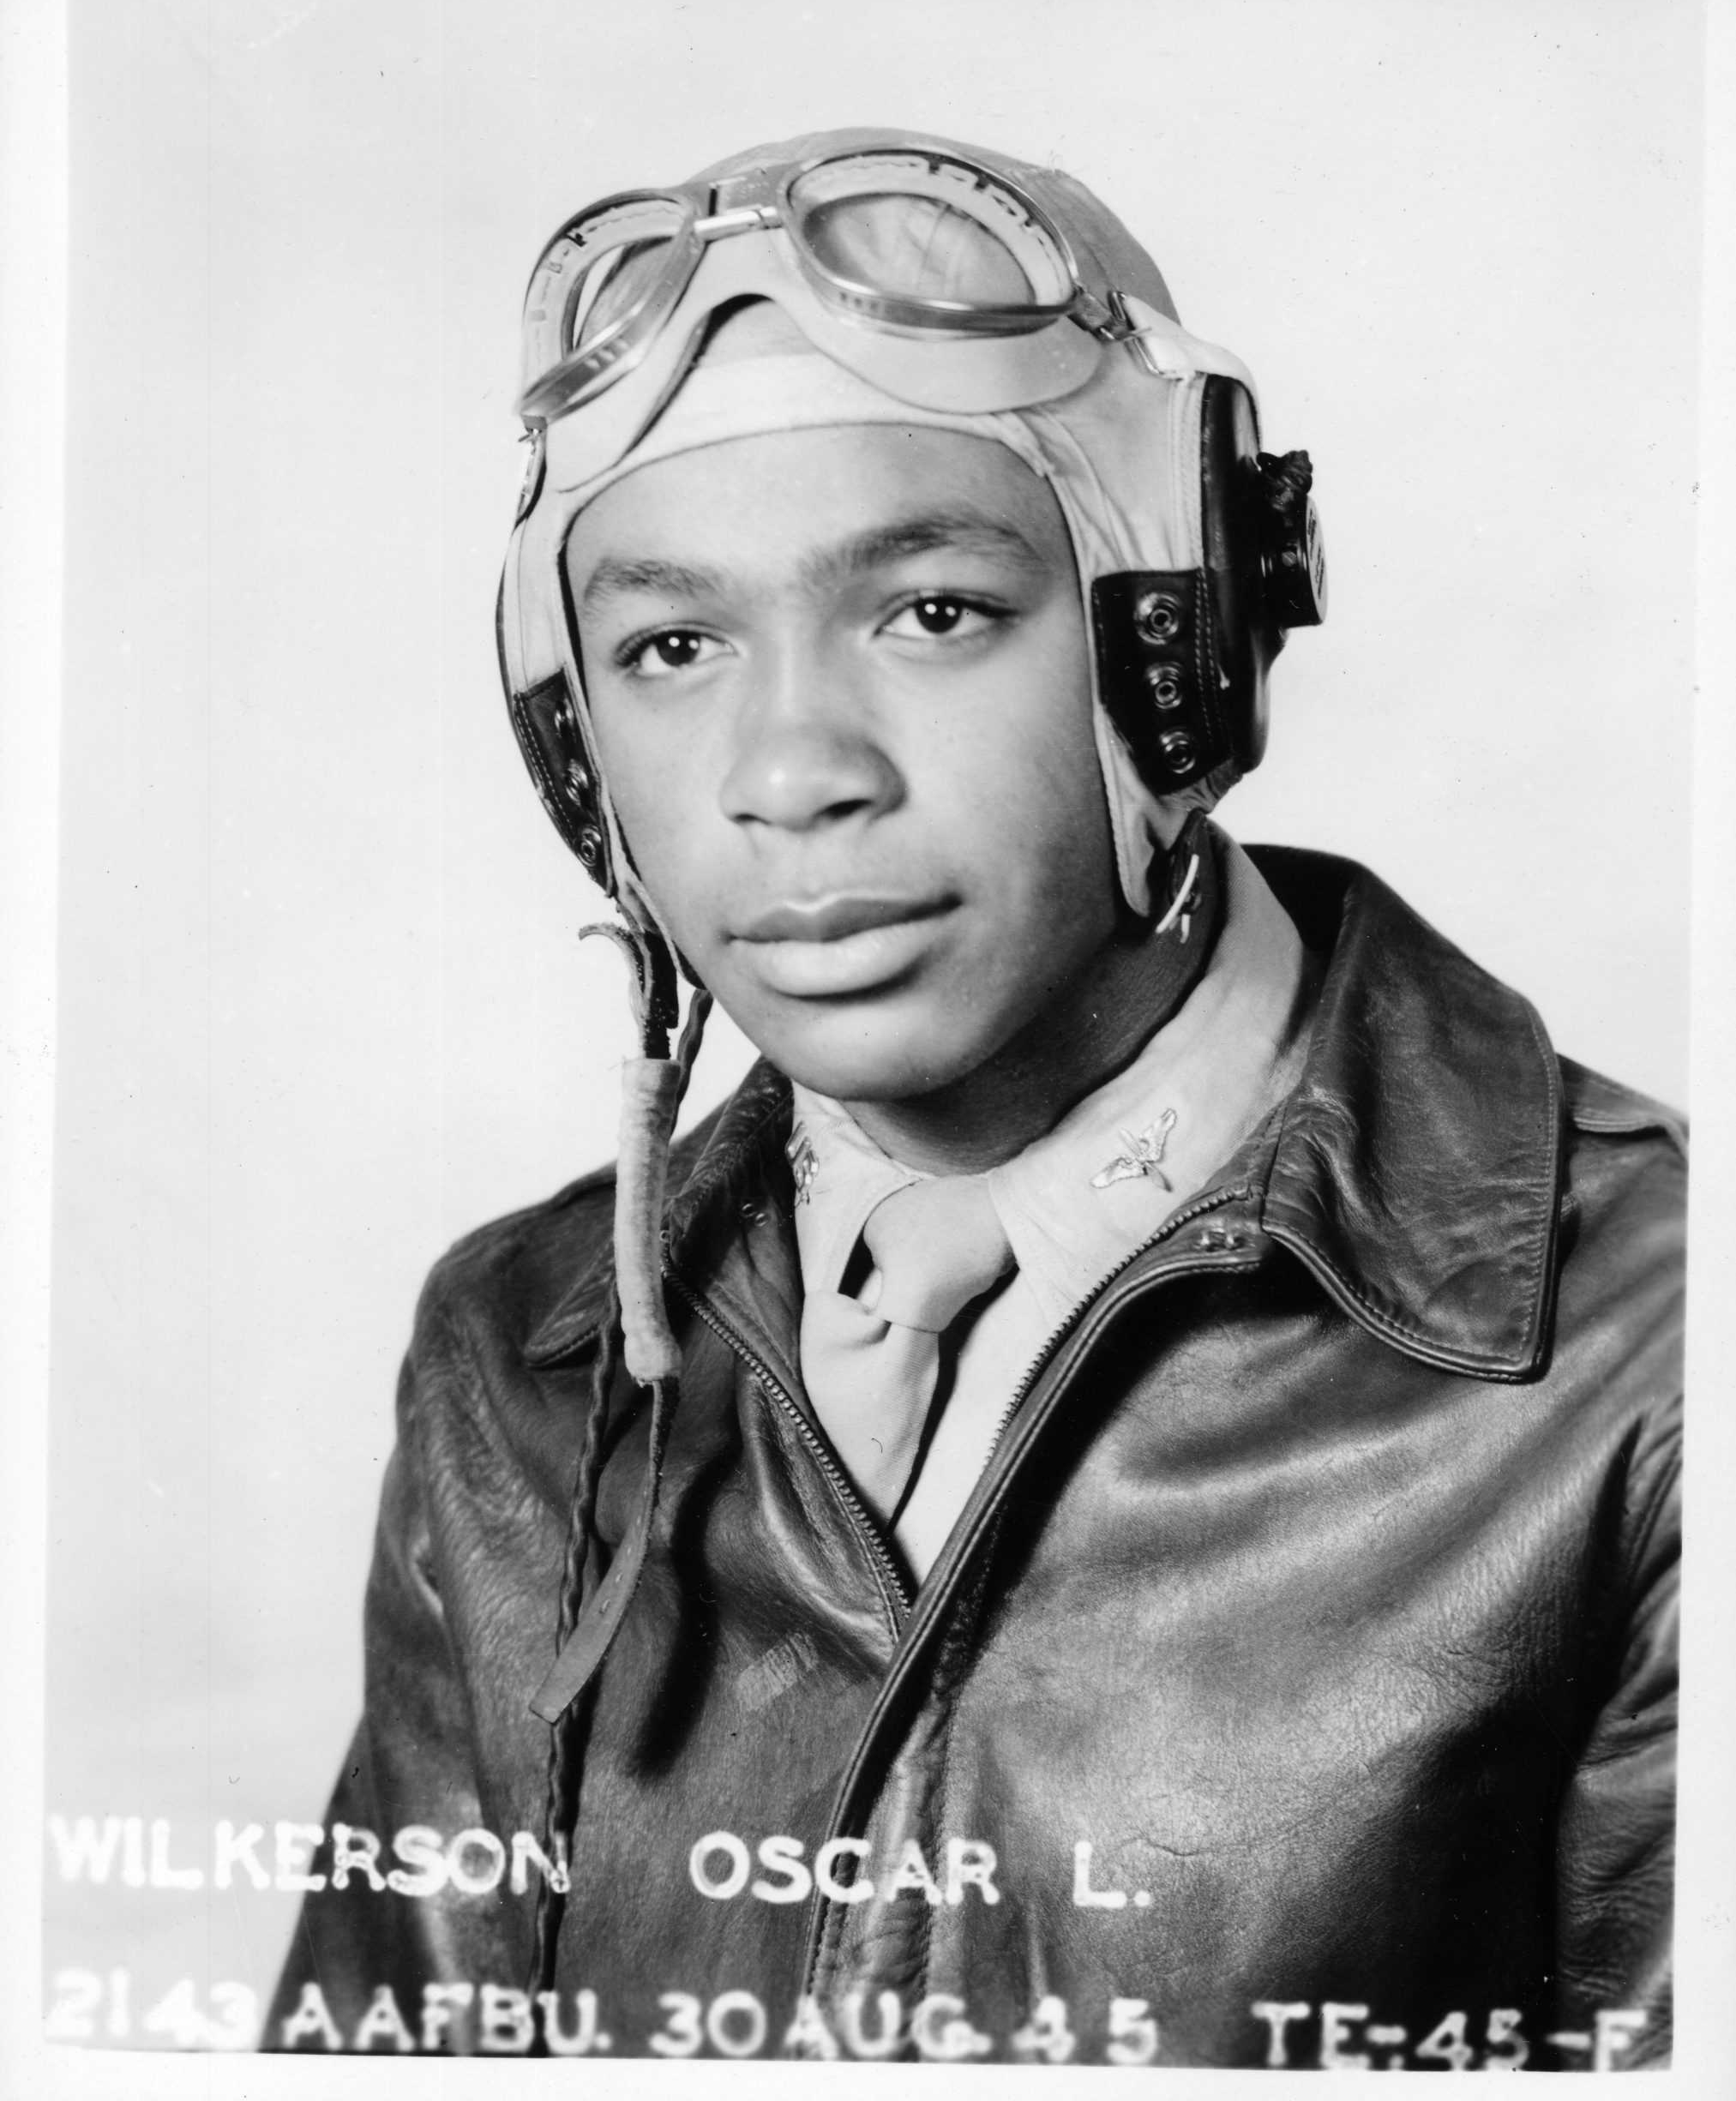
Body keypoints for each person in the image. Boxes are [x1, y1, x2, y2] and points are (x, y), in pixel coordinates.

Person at [266, 128, 1682, 2068]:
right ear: (572, 749)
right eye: (671, 647)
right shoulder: (518, 1351)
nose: (790, 772)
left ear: (1176, 654)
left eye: (928, 611)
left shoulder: (1654, 1347)